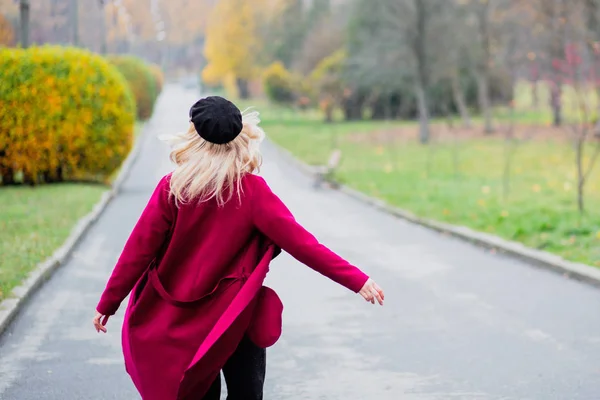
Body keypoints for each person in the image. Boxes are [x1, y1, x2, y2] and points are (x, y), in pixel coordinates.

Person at [93, 96, 384, 400]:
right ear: (240, 137)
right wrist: (357, 279)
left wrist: (108, 303)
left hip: (180, 324)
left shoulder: (173, 188)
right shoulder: (252, 191)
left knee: (195, 391)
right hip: (235, 319)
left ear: (193, 135)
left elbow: (138, 250)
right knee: (247, 393)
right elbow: (304, 244)